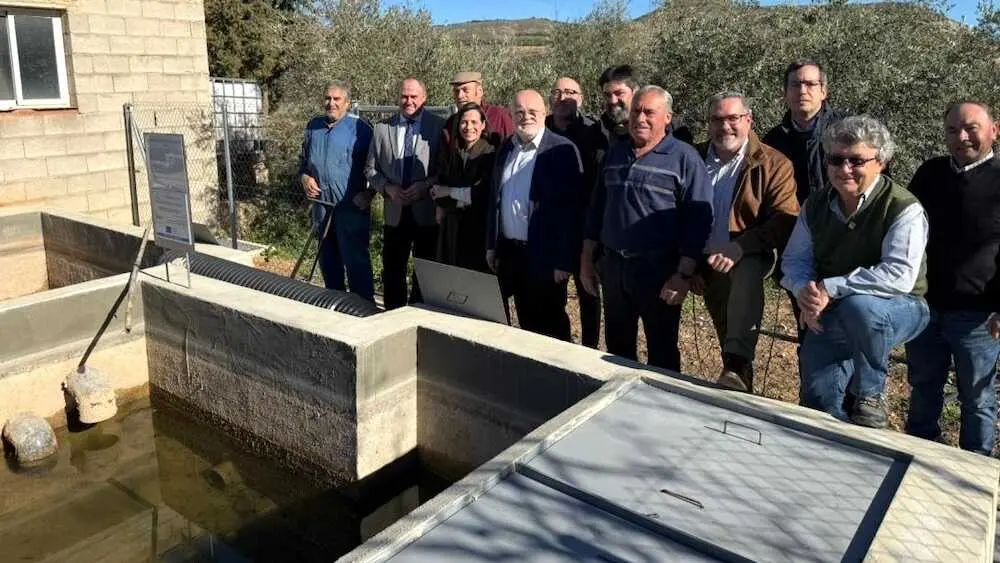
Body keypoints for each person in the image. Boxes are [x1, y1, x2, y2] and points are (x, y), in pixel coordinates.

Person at [780, 115, 929, 428]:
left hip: (901, 307)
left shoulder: (903, 207)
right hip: (833, 309)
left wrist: (830, 288)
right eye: (836, 159)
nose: (844, 168)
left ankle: (870, 393)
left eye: (856, 160)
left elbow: (898, 275)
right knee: (818, 401)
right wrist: (805, 291)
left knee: (860, 306)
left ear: (881, 162)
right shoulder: (816, 204)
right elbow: (794, 260)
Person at [580, 85, 713, 371]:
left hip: (659, 271)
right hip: (614, 267)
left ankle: (663, 411)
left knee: (662, 353)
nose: (640, 118)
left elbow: (699, 221)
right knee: (617, 350)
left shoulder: (685, 159)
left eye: (649, 112)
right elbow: (596, 211)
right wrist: (586, 261)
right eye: (636, 111)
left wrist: (683, 274)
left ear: (667, 117)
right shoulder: (615, 154)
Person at [905, 101, 1000, 455]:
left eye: (971, 128)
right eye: (952, 130)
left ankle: (975, 477)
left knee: (977, 397)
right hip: (926, 309)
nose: (961, 137)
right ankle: (918, 459)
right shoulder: (930, 174)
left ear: (994, 130)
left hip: (979, 316)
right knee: (923, 387)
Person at [694, 91, 799, 393]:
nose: (725, 126)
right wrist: (690, 265)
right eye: (717, 119)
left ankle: (737, 366)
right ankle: (738, 381)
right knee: (725, 328)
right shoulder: (694, 157)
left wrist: (740, 246)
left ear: (749, 120)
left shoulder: (773, 163)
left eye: (733, 118)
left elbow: (785, 218)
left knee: (746, 277)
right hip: (705, 259)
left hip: (748, 254)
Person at [485, 89, 583, 341]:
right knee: (523, 323)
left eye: (532, 112)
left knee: (551, 328)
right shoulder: (507, 148)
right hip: (511, 253)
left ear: (545, 113)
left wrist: (564, 260)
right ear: (511, 114)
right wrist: (491, 245)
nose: (525, 117)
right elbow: (495, 198)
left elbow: (572, 210)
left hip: (546, 256)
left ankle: (560, 378)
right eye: (519, 112)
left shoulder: (562, 150)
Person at [365, 78, 446, 309]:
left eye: (414, 97)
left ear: (424, 98)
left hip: (427, 213)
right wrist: (387, 188)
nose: (408, 101)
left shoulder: (439, 127)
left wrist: (425, 186)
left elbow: (444, 170)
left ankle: (420, 317)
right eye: (404, 96)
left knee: (426, 272)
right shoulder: (382, 128)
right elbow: (370, 169)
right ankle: (393, 318)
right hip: (394, 212)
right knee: (393, 271)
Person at [298, 81, 375, 301]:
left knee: (356, 262)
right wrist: (304, 178)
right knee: (328, 260)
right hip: (322, 207)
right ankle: (335, 306)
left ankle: (364, 310)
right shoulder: (313, 126)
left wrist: (369, 194)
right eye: (327, 98)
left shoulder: (361, 128)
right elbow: (303, 162)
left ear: (347, 103)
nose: (330, 103)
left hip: (350, 207)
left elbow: (377, 167)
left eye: (336, 99)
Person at [545, 76, 602, 348]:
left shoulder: (594, 133)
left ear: (581, 98)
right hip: (550, 231)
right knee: (552, 297)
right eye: (557, 91)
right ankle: (558, 348)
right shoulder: (541, 129)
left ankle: (589, 351)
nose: (562, 97)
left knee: (589, 295)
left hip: (585, 229)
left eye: (570, 92)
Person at [430, 103, 497, 272]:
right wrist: (458, 197)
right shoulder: (454, 152)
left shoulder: (489, 153)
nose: (469, 127)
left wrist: (450, 193)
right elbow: (440, 190)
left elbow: (482, 194)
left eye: (474, 122)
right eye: (464, 122)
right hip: (452, 229)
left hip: (476, 231)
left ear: (483, 125)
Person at [442, 71, 515, 147]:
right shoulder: (451, 123)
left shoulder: (499, 117)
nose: (460, 96)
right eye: (456, 91)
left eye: (465, 90)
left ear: (479, 91)